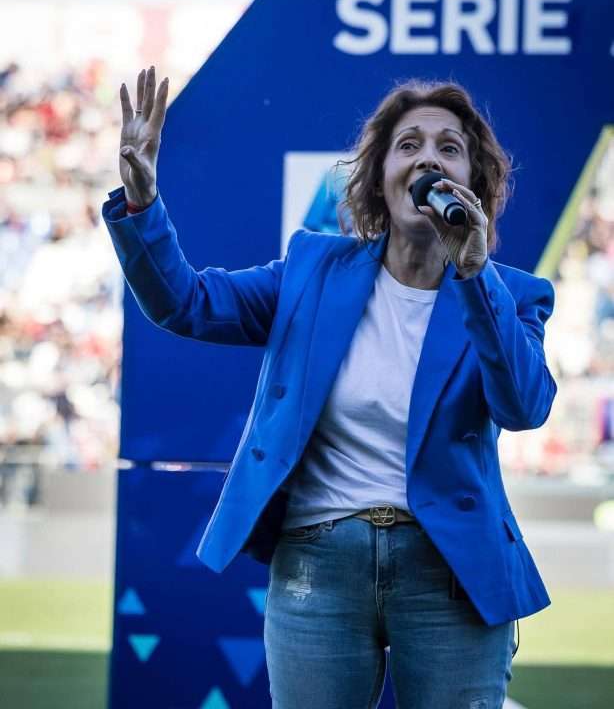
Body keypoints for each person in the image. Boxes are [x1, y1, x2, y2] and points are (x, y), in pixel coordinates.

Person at [103, 66, 557, 709]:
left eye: (449, 148)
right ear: (379, 178)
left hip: (451, 572)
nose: (428, 158)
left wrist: (476, 276)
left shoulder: (513, 294)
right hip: (318, 566)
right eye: (409, 145)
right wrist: (143, 204)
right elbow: (187, 303)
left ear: (473, 183)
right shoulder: (313, 269)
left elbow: (525, 406)